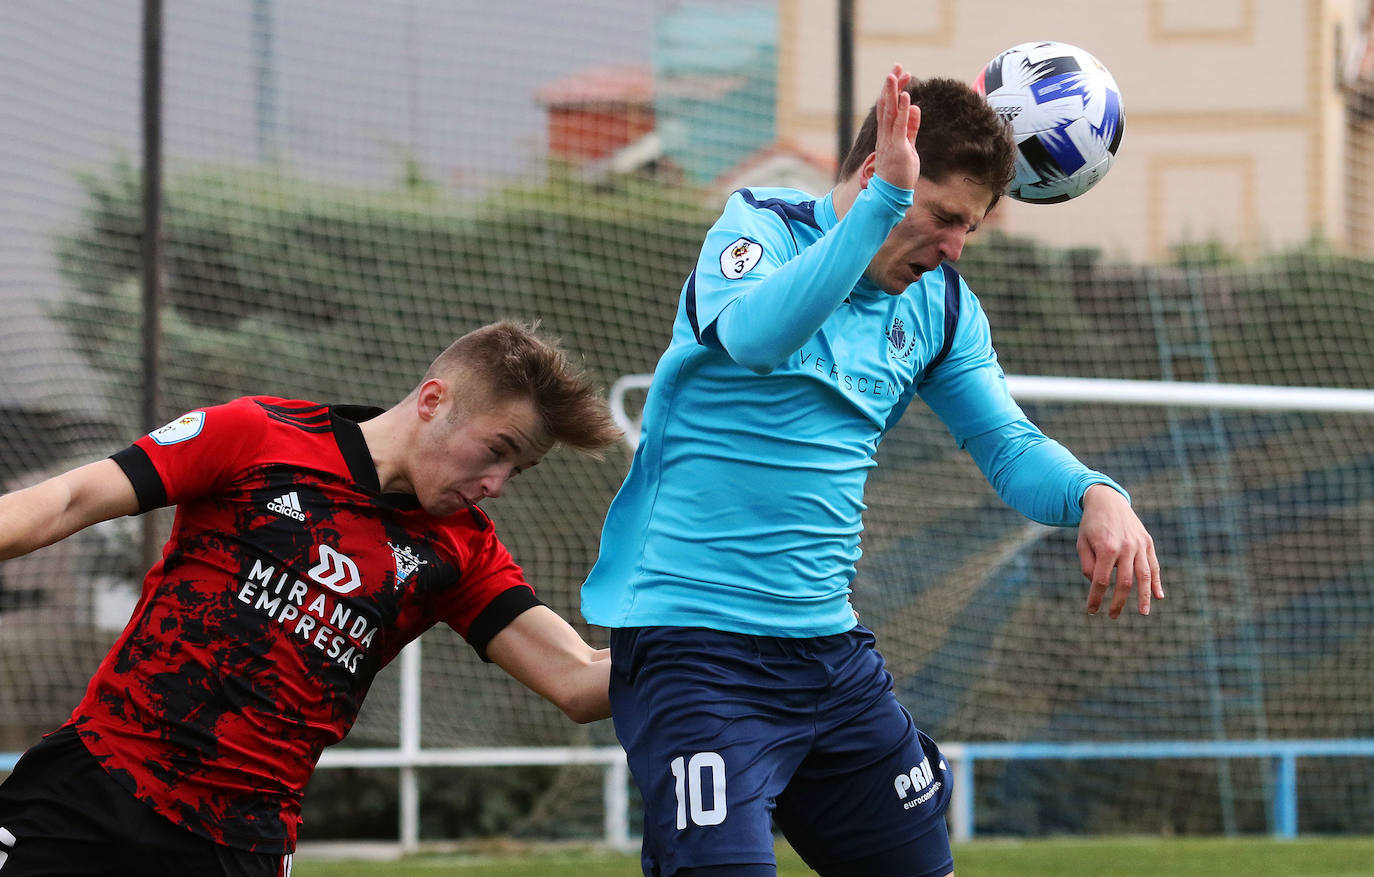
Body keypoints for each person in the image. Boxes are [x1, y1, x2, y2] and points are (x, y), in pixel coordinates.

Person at [581, 65, 1163, 877]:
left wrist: (1094, 493)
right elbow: (754, 338)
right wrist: (883, 206)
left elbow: (1006, 443)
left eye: (971, 227)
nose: (954, 247)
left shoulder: (941, 306)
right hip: (696, 649)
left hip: (827, 657)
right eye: (944, 217)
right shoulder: (759, 228)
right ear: (875, 178)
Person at [0, 319, 622, 876]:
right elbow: (67, 500)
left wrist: (687, 630)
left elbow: (577, 679)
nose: (498, 483)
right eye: (497, 451)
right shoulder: (256, 435)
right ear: (434, 400)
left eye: (518, 469)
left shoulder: (463, 551)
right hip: (92, 788)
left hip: (241, 847)